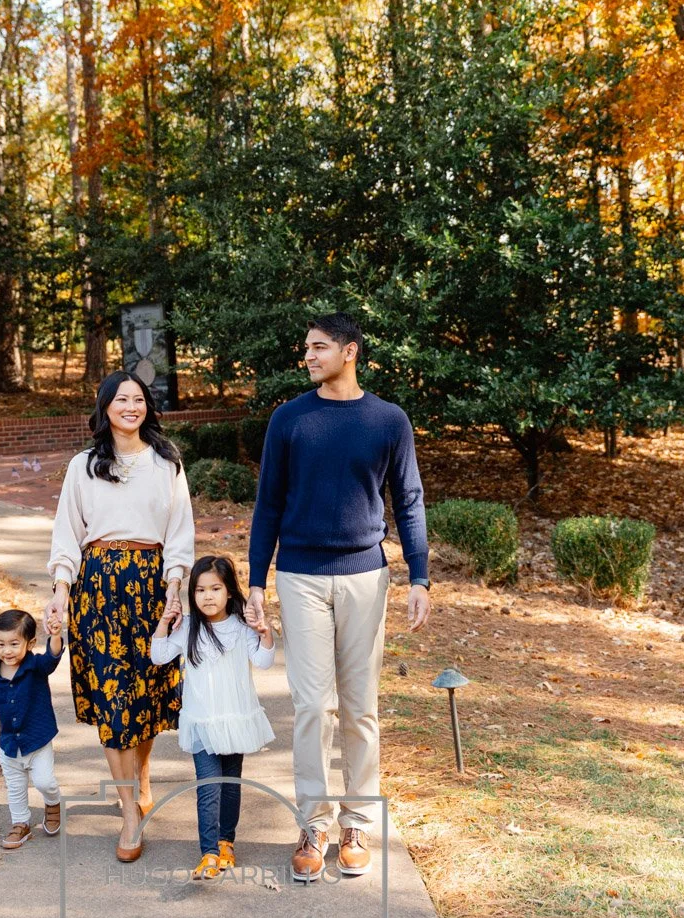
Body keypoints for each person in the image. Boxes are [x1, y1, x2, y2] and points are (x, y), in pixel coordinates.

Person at [246, 312, 432, 882]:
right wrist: (257, 579)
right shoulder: (289, 419)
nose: (308, 356)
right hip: (300, 575)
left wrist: (418, 576)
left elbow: (409, 499)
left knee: (360, 708)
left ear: (350, 352)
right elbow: (268, 504)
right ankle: (313, 824)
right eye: (306, 347)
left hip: (364, 576)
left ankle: (356, 823)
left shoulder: (387, 420)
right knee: (311, 706)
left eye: (319, 347)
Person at [45, 371, 195, 862]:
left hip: (151, 587)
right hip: (99, 589)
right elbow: (67, 535)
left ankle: (141, 776)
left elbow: (179, 533)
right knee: (113, 701)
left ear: (147, 408)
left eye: (139, 399)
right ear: (105, 407)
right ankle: (130, 811)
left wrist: (175, 590)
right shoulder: (82, 466)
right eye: (121, 399)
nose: (131, 406)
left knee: (146, 696)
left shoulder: (166, 462)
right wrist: (60, 594)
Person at [152, 554, 275, 881]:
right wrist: (165, 622)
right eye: (200, 590)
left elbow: (263, 661)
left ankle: (226, 842)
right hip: (203, 723)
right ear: (191, 595)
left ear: (230, 592)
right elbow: (159, 655)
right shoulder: (188, 628)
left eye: (215, 588)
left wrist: (264, 632)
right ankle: (208, 853)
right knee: (208, 786)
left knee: (230, 786)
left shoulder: (240, 627)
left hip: (234, 720)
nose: (208, 596)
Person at [0, 608, 64, 851]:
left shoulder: (35, 666)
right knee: (15, 787)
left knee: (44, 782)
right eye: (1, 644)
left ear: (30, 643)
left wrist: (57, 635)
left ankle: (53, 803)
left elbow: (52, 658)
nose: (7, 651)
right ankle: (20, 824)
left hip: (37, 740)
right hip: (9, 743)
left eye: (14, 644)